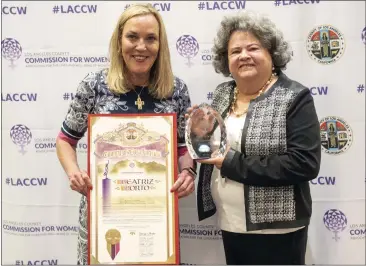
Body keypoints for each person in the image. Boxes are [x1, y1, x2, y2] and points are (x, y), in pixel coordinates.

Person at [55, 4, 196, 265]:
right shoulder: (93, 85)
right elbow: (65, 139)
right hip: (103, 214)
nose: (141, 46)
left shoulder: (176, 89)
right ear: (119, 41)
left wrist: (188, 173)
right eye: (132, 36)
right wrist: (74, 172)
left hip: (155, 220)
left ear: (160, 44)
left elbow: (182, 146)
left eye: (150, 38)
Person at [191, 11, 321, 265]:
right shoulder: (222, 93)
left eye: (253, 48)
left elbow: (304, 163)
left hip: (278, 230)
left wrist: (229, 163)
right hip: (231, 221)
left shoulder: (295, 97)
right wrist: (199, 129)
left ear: (272, 54)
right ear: (225, 59)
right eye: (235, 51)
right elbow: (213, 145)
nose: (244, 56)